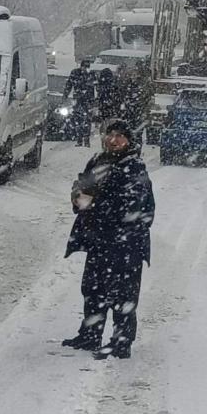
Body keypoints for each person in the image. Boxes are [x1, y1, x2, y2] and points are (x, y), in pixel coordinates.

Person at [61, 119, 155, 360]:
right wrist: (78, 198)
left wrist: (94, 203)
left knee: (123, 295)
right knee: (93, 289)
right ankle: (90, 334)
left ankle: (121, 342)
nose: (114, 140)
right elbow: (83, 188)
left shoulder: (134, 168)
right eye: (110, 135)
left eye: (120, 136)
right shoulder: (98, 161)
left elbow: (132, 207)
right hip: (99, 240)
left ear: (130, 141)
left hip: (126, 244)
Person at [63, 59, 96, 146]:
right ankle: (79, 139)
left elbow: (95, 87)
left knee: (87, 121)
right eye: (84, 66)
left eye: (87, 67)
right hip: (78, 100)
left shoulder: (91, 74)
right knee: (78, 120)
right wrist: (65, 95)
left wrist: (94, 101)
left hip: (88, 100)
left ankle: (86, 140)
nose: (85, 69)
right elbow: (69, 84)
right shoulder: (75, 73)